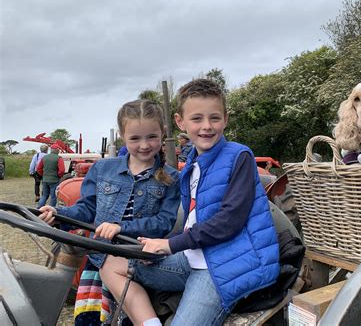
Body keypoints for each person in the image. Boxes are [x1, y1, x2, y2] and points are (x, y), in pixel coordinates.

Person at [100, 79, 280, 326]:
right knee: (112, 262)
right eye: (197, 119)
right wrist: (157, 247)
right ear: (180, 122)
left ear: (225, 119)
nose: (206, 126)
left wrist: (170, 245)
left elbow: (229, 221)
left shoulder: (240, 156)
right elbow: (193, 221)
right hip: (193, 258)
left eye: (214, 118)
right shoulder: (192, 164)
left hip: (223, 268)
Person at [38, 99, 181, 325]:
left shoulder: (171, 178)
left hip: (138, 262)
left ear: (162, 133)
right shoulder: (103, 169)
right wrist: (57, 214)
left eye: (151, 137)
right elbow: (88, 208)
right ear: (123, 137)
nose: (144, 145)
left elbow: (163, 222)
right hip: (99, 258)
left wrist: (121, 228)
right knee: (91, 320)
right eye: (135, 138)